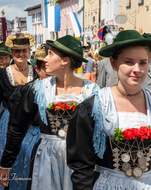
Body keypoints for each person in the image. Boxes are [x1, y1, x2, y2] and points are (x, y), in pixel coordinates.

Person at [67, 30, 151, 190]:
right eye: (129, 62)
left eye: (142, 62)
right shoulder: (94, 107)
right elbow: (82, 168)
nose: (137, 69)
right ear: (113, 63)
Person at [0, 35, 99, 190]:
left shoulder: (92, 92)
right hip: (47, 160)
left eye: (51, 54)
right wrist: (6, 163)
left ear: (65, 60)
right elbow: (17, 128)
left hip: (80, 163)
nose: (45, 59)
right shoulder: (38, 89)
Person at [0, 33, 40, 190]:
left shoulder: (37, 73)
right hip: (7, 126)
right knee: (9, 159)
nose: (21, 54)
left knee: (27, 161)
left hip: (31, 126)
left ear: (29, 51)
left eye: (24, 50)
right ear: (11, 53)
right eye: (17, 51)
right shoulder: (2, 75)